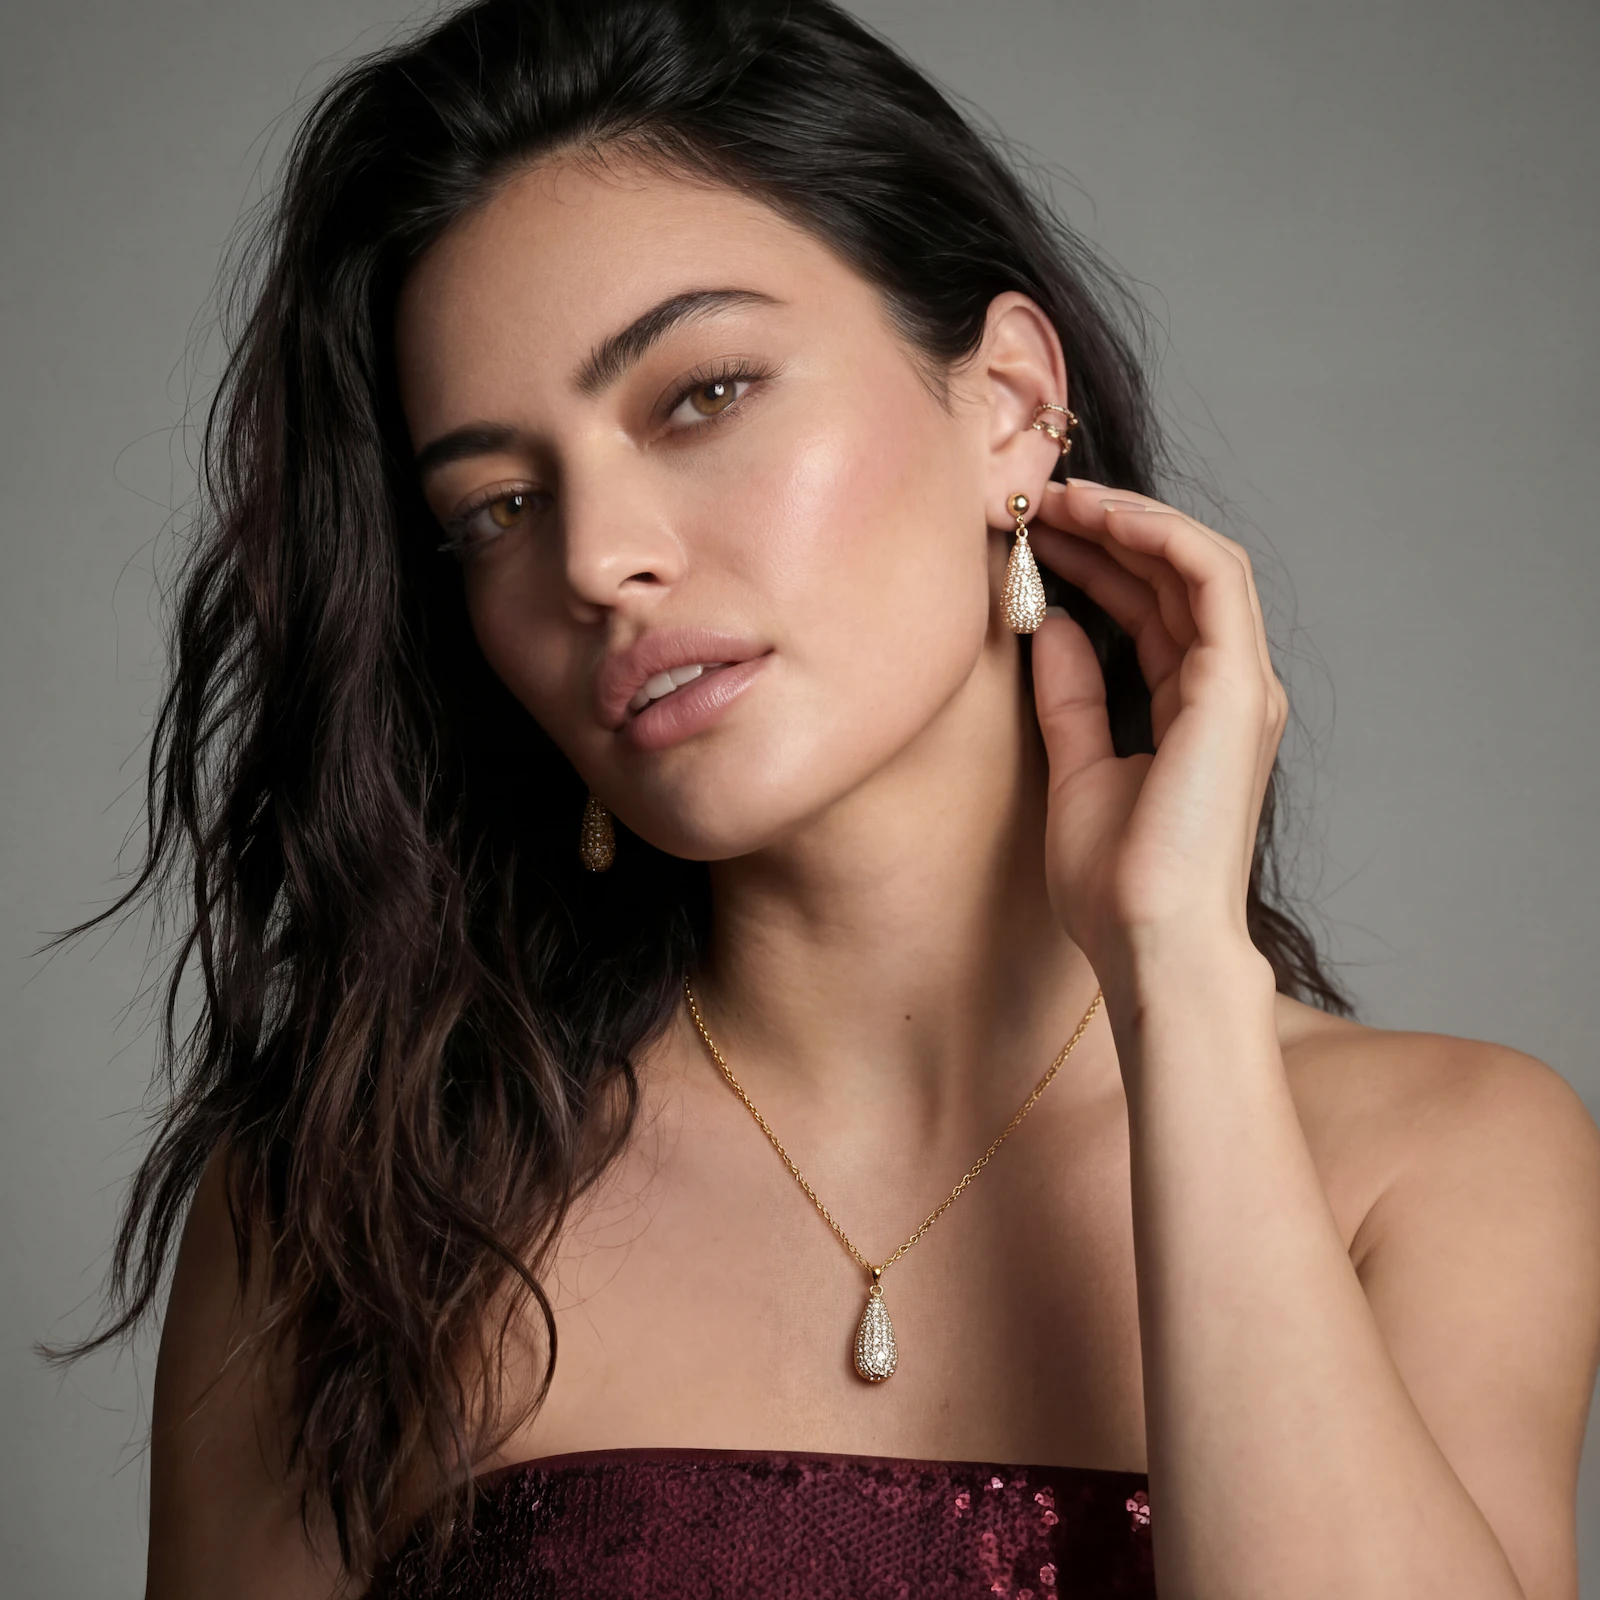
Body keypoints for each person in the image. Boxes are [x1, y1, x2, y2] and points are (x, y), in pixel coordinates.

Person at [55, 1, 1600, 1595]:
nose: (595, 560)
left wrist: (1180, 981)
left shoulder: (1446, 1161)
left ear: (1005, 404)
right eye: (498, 506)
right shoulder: (359, 1210)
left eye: (701, 396)